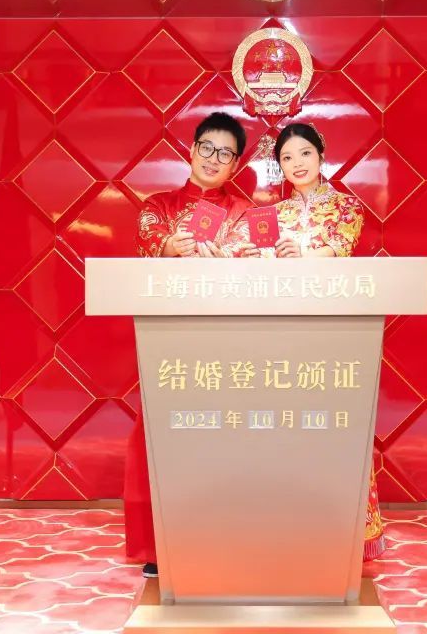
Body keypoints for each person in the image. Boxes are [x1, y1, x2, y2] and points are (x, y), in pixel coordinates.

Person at [128, 111, 255, 577]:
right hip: (170, 342)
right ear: (191, 149)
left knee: (225, 438)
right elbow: (146, 244)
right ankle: (159, 546)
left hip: (227, 342)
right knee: (164, 438)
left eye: (225, 153)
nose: (213, 159)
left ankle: (226, 540)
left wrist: (232, 261)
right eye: (207, 147)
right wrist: (169, 249)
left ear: (235, 164)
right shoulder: (157, 207)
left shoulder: (245, 213)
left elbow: (254, 265)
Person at [254, 122, 386, 559]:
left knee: (337, 428)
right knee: (287, 428)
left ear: (321, 155)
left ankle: (343, 536)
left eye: (304, 153)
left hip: (333, 332)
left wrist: (302, 256)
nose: (297, 164)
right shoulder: (271, 215)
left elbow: (338, 252)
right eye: (287, 158)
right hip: (283, 332)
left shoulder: (347, 207)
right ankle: (292, 530)